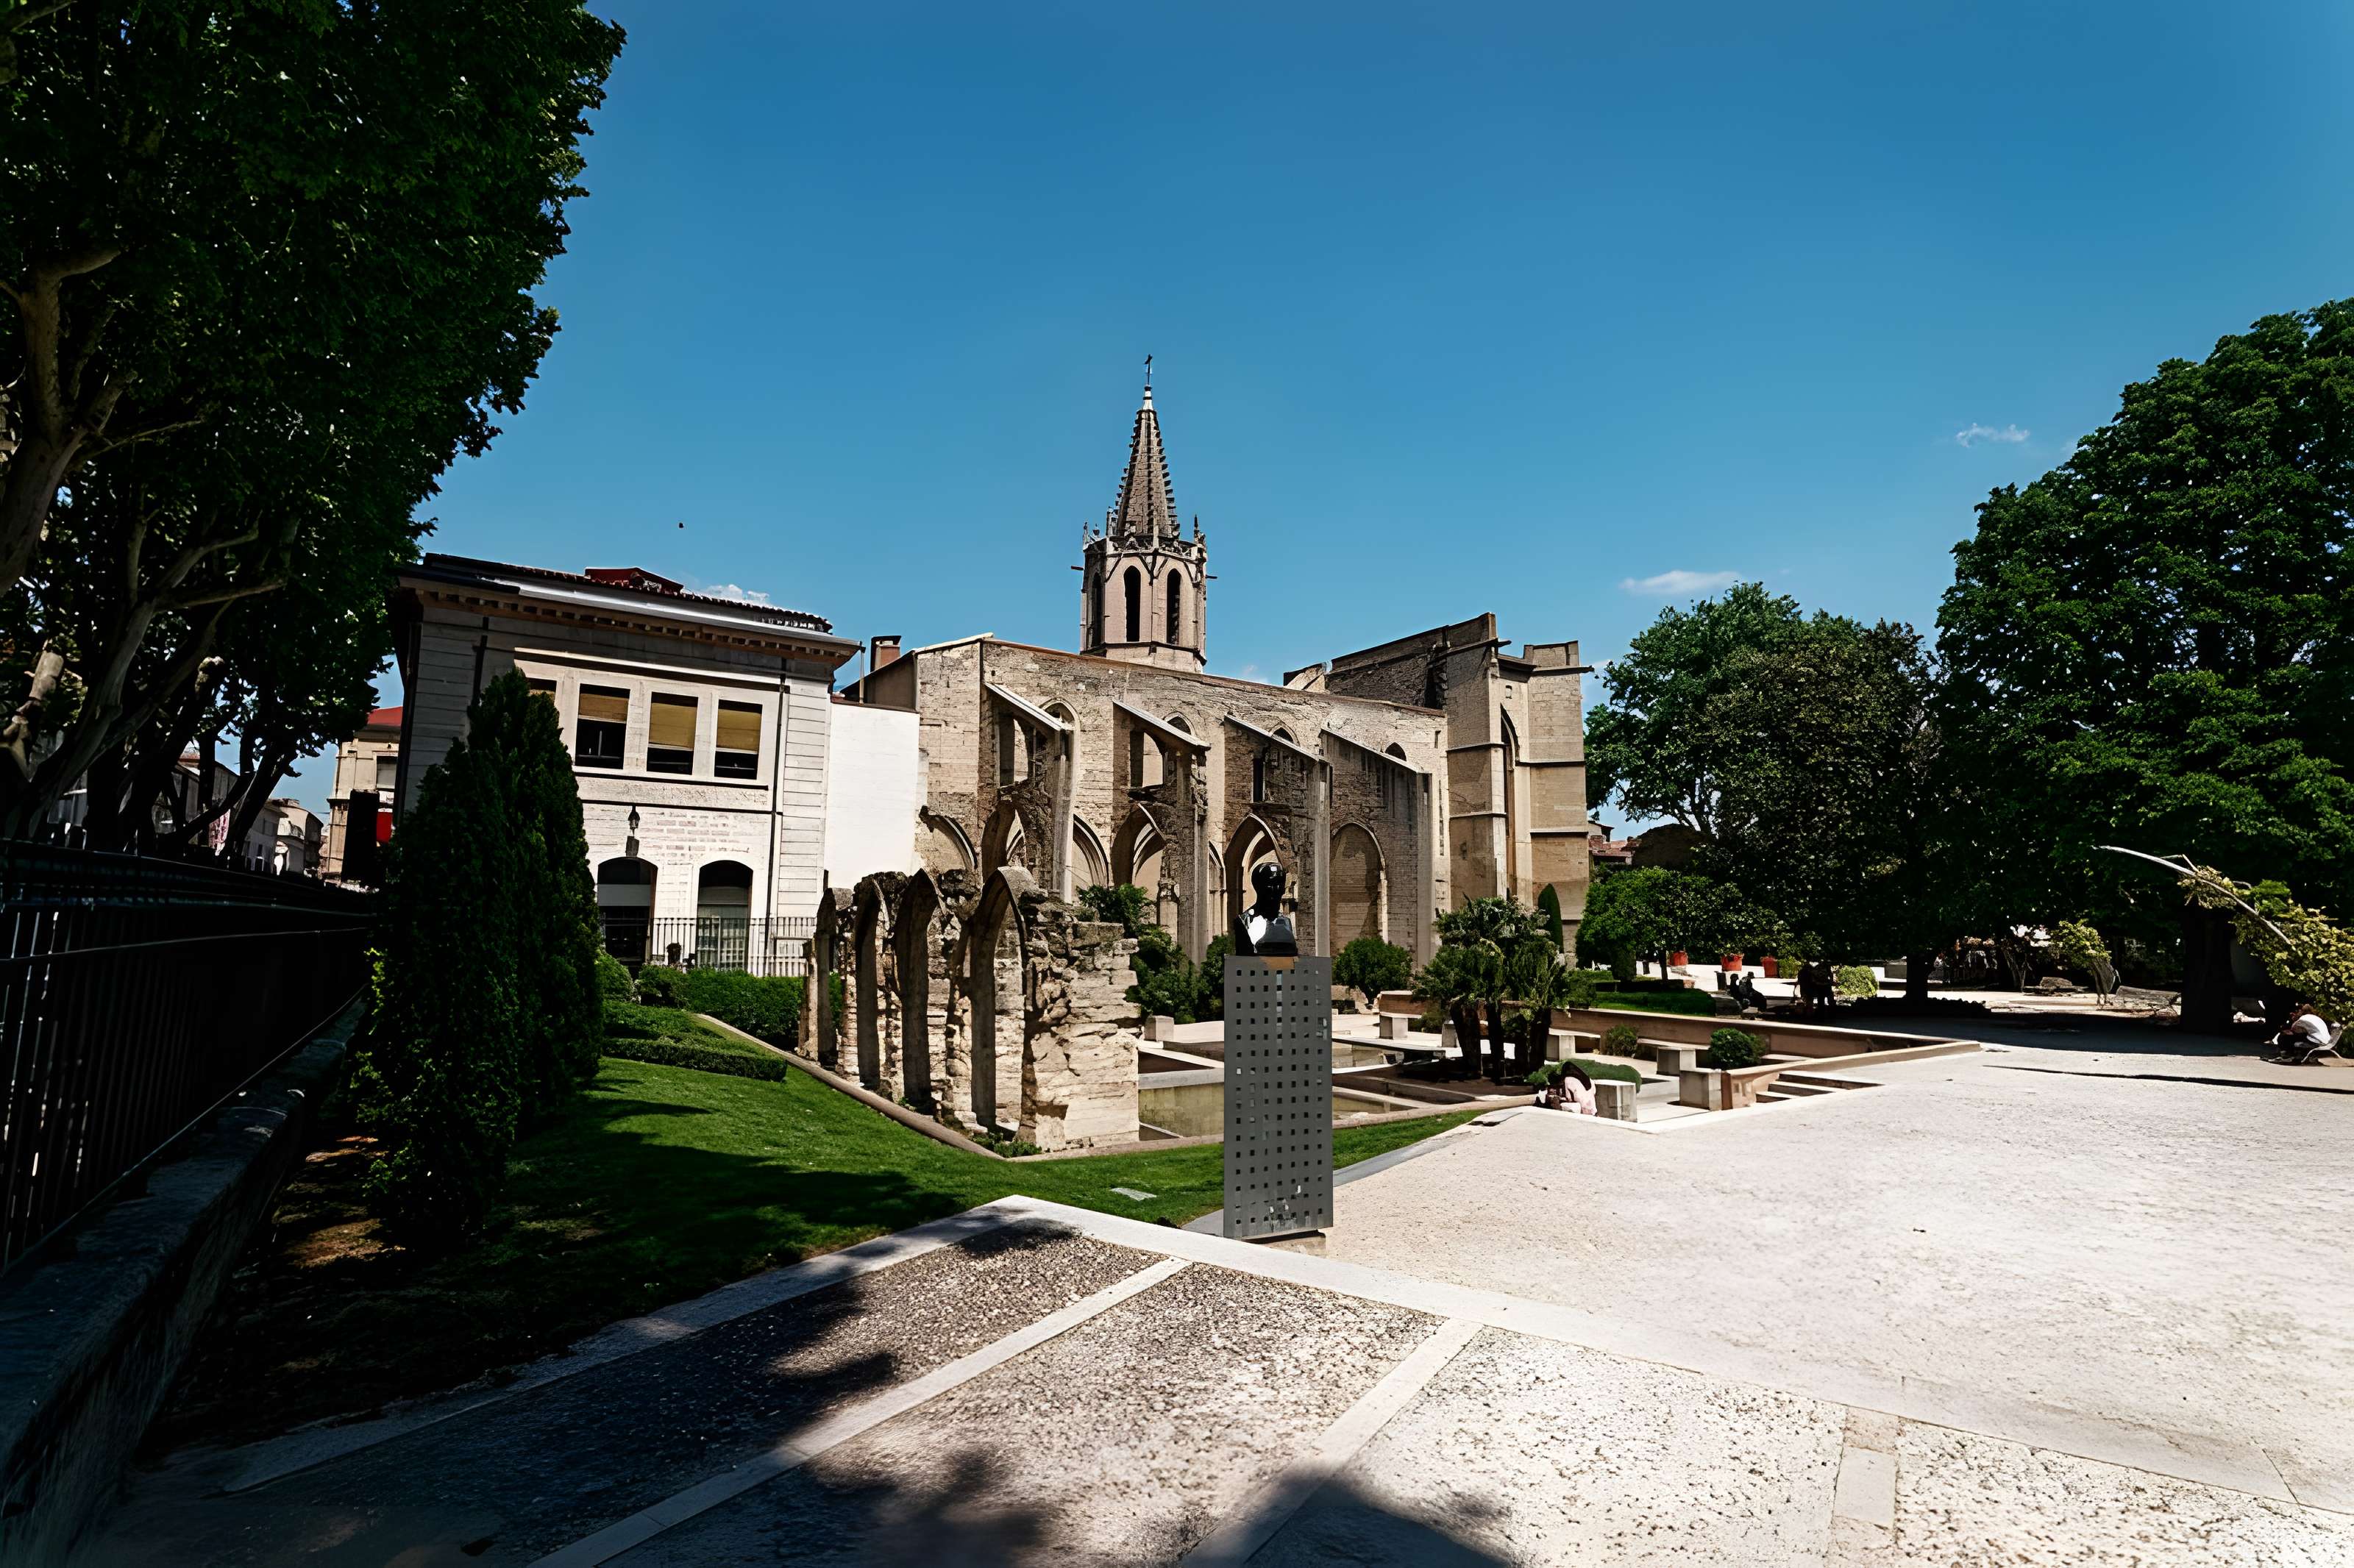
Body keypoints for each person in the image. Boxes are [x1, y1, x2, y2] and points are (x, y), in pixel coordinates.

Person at [2266, 1002, 2337, 1065]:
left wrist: (2292, 1023)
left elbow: (2293, 1031)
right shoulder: (2315, 1018)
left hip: (2317, 1042)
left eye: (2296, 1012)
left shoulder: (2302, 1019)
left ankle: (2287, 1055)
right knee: (2299, 1036)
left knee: (2284, 1036)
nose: (2292, 1014)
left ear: (2301, 1012)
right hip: (2326, 1041)